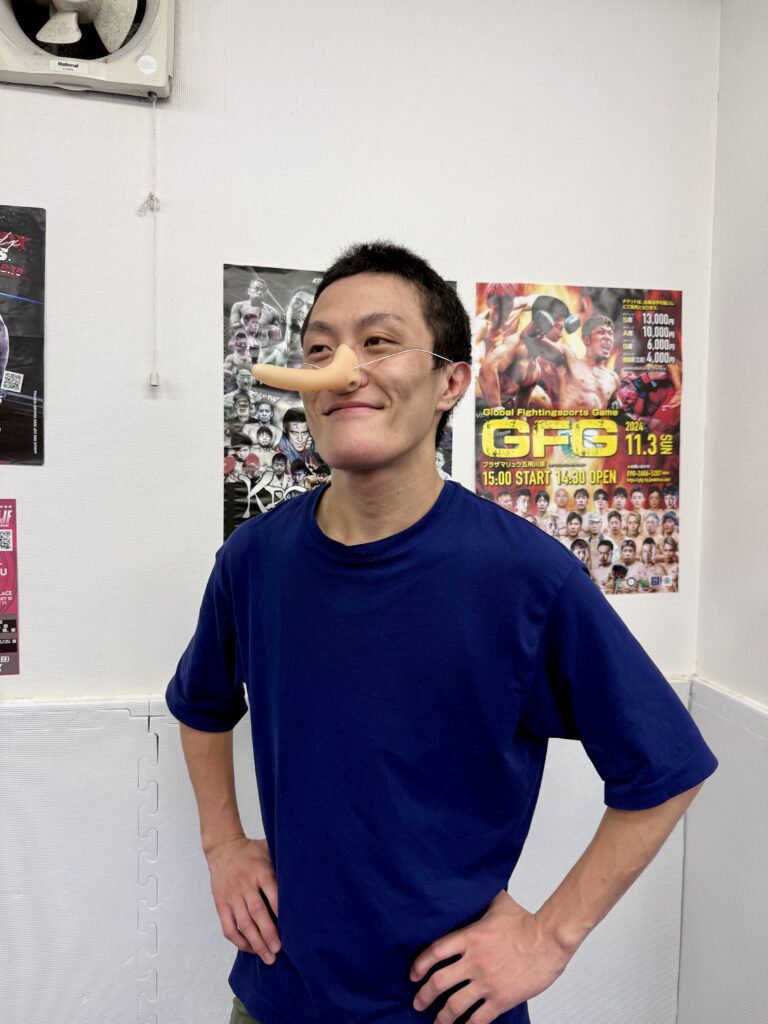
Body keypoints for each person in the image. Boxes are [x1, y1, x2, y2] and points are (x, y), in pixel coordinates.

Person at [167, 242, 716, 1024]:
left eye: (378, 342)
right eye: (319, 349)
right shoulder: (254, 559)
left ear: (451, 382)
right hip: (277, 996)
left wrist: (548, 939)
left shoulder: (524, 576)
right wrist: (223, 844)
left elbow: (667, 766)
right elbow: (201, 704)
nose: (341, 369)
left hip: (449, 1007)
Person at [522, 313, 619, 410]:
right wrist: (535, 324)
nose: (608, 337)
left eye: (610, 333)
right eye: (601, 332)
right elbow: (531, 339)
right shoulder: (569, 361)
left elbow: (618, 408)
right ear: (587, 340)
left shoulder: (613, 379)